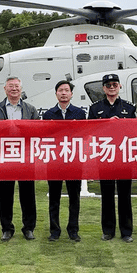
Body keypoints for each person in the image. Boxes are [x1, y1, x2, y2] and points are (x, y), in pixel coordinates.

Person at [0, 77, 39, 241]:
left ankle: (29, 228)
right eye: (11, 86)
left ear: (21, 88)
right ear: (5, 89)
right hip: (4, 158)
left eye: (17, 86)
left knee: (28, 194)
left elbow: (38, 131)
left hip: (25, 158)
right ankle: (7, 228)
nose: (14, 89)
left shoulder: (30, 109)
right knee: (5, 194)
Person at [88, 73, 137, 242]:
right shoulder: (95, 109)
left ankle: (126, 232)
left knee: (125, 195)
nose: (111, 87)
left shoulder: (129, 108)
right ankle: (108, 230)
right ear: (103, 88)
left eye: (114, 84)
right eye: (108, 85)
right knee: (107, 194)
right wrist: (106, 123)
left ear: (119, 87)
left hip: (124, 156)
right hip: (105, 156)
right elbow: (89, 131)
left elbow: (133, 132)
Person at [42, 80, 86, 242]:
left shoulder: (80, 114)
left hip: (74, 161)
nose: (63, 93)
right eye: (60, 90)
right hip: (54, 161)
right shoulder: (48, 115)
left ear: (71, 94)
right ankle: (55, 230)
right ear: (56, 94)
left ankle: (73, 230)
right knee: (54, 197)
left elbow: (84, 136)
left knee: (74, 197)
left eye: (66, 90)